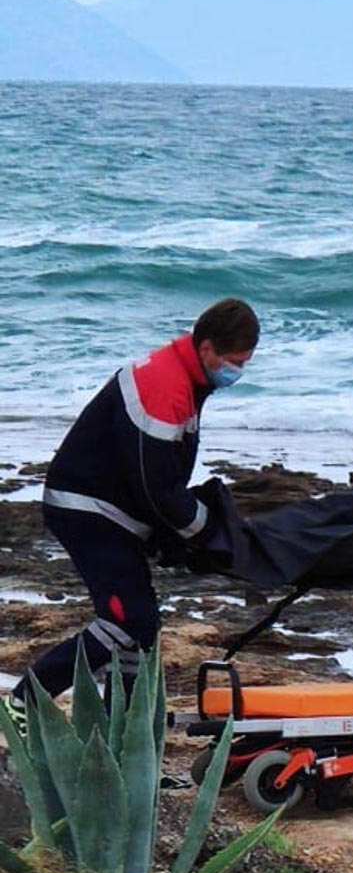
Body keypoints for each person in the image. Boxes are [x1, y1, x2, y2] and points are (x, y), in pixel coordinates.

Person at [8, 298, 260, 724]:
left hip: (116, 512)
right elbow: (156, 487)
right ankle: (22, 702)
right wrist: (203, 533)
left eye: (245, 362)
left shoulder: (188, 378)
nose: (237, 371)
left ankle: (116, 733)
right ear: (206, 349)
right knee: (126, 623)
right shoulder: (164, 385)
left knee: (141, 629)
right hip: (88, 510)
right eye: (234, 362)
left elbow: (157, 483)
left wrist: (187, 529)